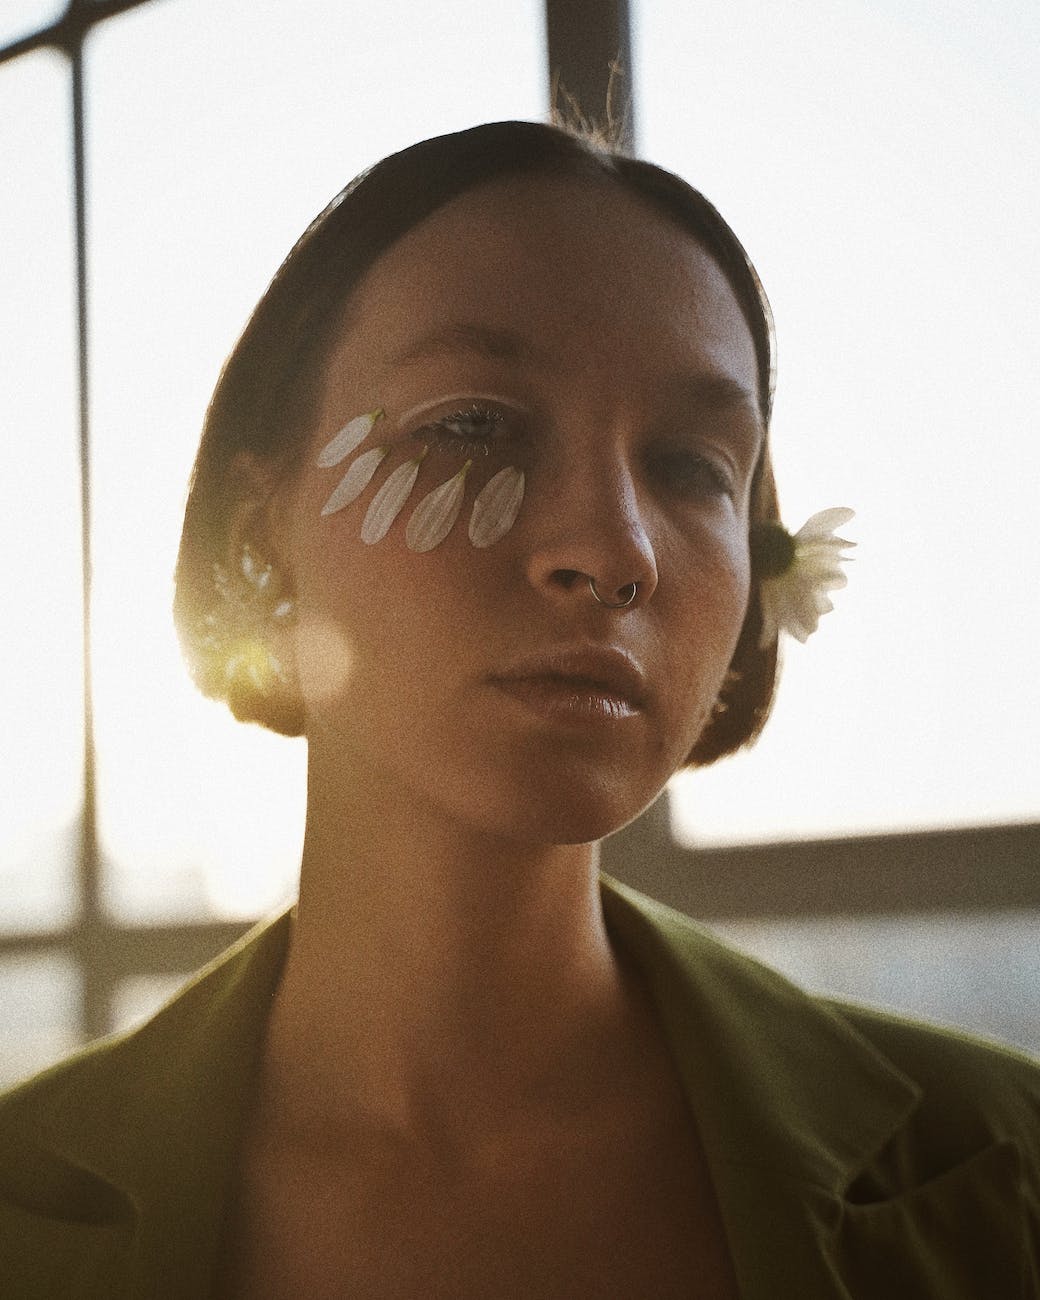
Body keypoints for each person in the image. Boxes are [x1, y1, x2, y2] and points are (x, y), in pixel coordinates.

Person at [0, 119, 1037, 1299]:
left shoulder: (1003, 1170)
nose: (614, 550)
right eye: (472, 424)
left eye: (694, 465)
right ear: (260, 535)